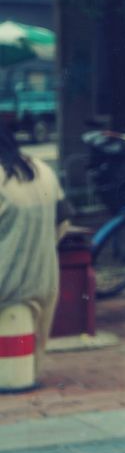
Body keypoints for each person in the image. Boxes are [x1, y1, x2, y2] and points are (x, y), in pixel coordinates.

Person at [0, 120, 66, 381]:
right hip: (43, 278)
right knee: (32, 353)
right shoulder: (41, 170)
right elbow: (63, 221)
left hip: (6, 282)